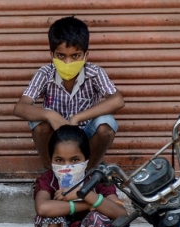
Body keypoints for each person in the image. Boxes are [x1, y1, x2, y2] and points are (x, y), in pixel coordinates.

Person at [13, 16, 125, 170]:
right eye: (61, 56)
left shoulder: (94, 72)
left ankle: (87, 173)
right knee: (39, 124)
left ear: (86, 56)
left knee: (106, 124)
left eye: (75, 56)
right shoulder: (45, 73)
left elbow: (117, 100)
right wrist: (50, 115)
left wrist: (77, 118)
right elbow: (20, 107)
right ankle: (51, 172)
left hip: (85, 136)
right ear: (51, 55)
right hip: (57, 137)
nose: (68, 63)